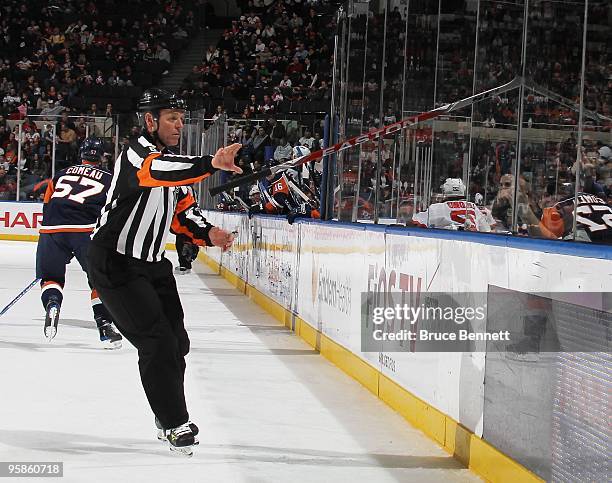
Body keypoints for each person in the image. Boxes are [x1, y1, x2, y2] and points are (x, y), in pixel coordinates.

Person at [87, 88, 242, 456]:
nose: (178, 124)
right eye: (171, 117)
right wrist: (209, 164)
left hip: (153, 265)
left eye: (180, 118)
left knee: (178, 343)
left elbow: (183, 213)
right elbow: (155, 170)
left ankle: (165, 411)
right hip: (115, 260)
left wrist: (209, 233)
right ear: (150, 121)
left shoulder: (174, 166)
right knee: (156, 341)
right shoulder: (138, 153)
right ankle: (174, 422)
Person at [36, 137, 122, 348]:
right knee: (99, 280)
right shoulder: (110, 179)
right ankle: (104, 325)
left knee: (51, 278)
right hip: (86, 231)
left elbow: (47, 205)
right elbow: (114, 211)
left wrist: (55, 235)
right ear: (101, 157)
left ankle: (52, 303)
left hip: (51, 230)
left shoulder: (61, 174)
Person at [412, 178, 492, 232]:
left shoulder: (438, 207)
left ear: (444, 191)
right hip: (472, 245)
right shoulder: (473, 207)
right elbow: (486, 230)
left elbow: (415, 221)